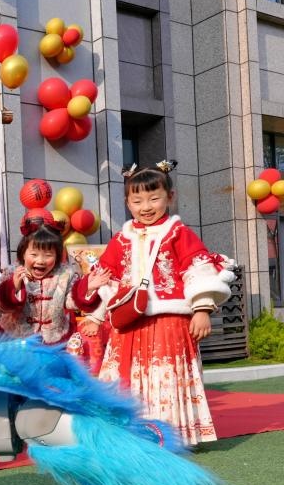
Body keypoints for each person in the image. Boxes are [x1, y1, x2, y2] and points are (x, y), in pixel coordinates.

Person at [90, 161, 234, 445]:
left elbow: (198, 269)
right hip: (130, 321)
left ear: (170, 196)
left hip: (171, 320)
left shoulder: (178, 233)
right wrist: (96, 315)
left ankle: (173, 435)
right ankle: (130, 432)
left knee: (166, 374)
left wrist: (202, 309)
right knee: (126, 375)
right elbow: (107, 278)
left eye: (154, 198)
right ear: (127, 203)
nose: (146, 206)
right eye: (137, 200)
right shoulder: (120, 239)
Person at [0, 223, 107, 345]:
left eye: (48, 255)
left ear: (57, 257)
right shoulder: (13, 272)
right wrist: (13, 287)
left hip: (54, 339)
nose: (40, 261)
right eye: (34, 254)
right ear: (23, 254)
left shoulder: (65, 274)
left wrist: (87, 288)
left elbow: (70, 301)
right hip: (17, 339)